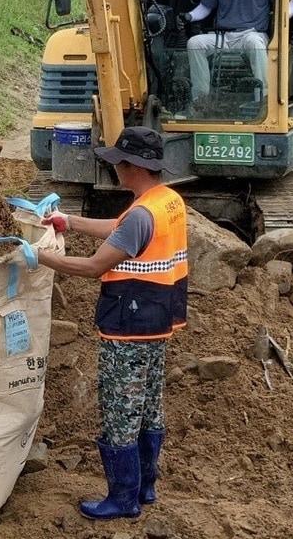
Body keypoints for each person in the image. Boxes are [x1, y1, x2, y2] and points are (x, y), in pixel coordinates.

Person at [35, 127, 188, 519]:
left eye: (119, 161)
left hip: (129, 326)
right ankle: (146, 487)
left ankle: (122, 499)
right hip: (157, 321)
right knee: (149, 406)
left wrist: (40, 257)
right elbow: (119, 230)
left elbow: (92, 267)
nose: (114, 167)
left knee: (122, 411)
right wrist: (69, 221)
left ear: (133, 166)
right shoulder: (165, 201)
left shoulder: (141, 214)